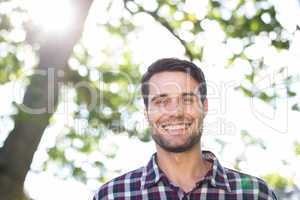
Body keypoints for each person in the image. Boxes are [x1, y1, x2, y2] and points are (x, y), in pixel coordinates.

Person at [93, 58, 277, 200]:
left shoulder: (255, 194)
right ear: (147, 113)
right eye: (162, 101)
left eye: (187, 99)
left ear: (204, 106)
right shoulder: (112, 196)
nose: (176, 112)